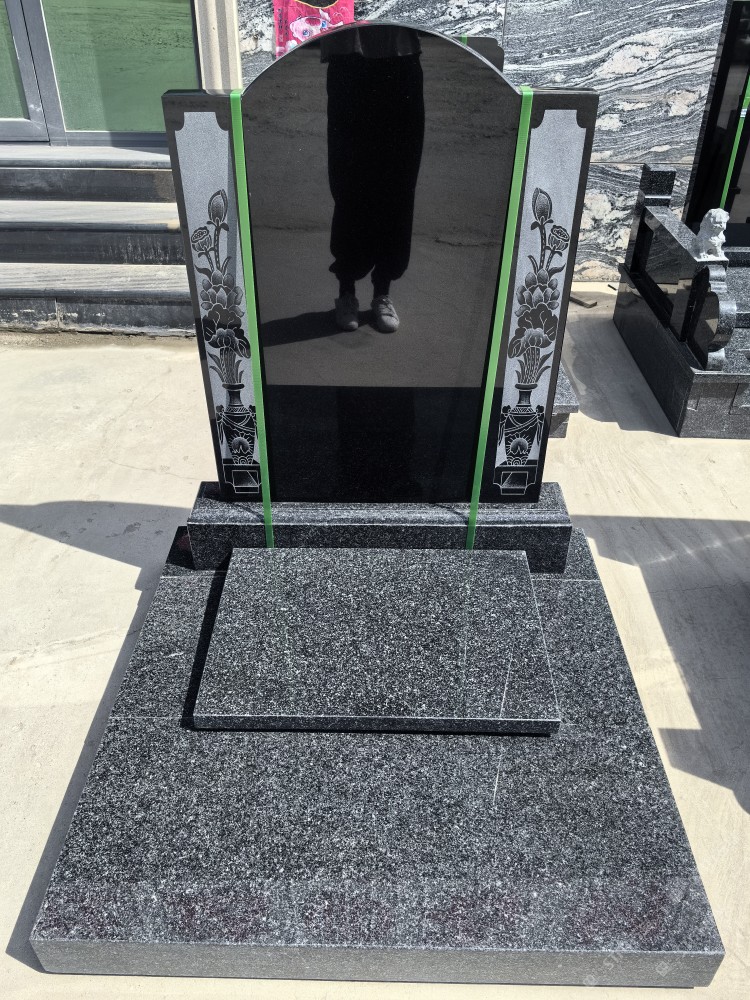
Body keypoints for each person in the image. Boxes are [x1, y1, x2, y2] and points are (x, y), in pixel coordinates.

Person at [322, 25, 425, 333]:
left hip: (400, 54)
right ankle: (346, 291)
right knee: (349, 180)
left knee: (399, 180)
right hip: (348, 55)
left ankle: (382, 291)